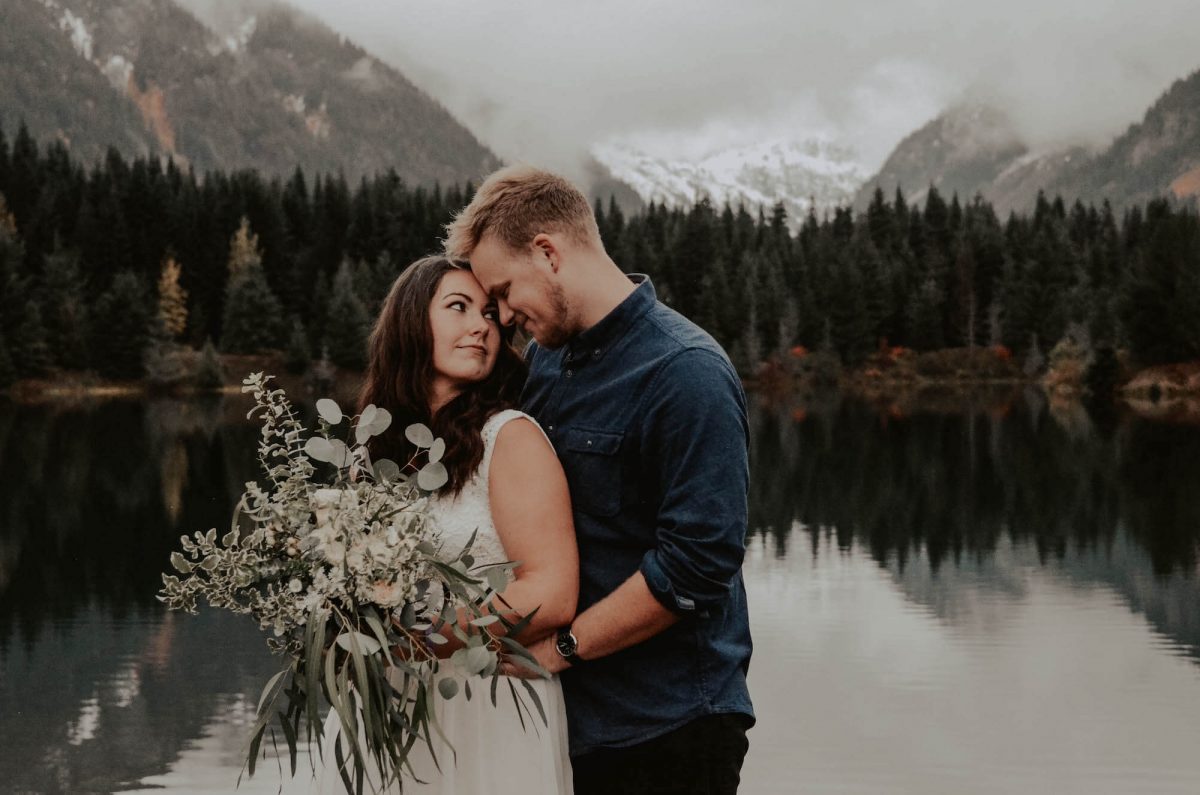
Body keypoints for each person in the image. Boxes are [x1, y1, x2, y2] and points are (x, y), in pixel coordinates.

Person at [445, 166, 755, 795]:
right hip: (567, 723)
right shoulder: (550, 359)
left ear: (549, 253)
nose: (501, 315)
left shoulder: (686, 372)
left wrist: (565, 647)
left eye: (504, 291)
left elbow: (699, 564)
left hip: (666, 726)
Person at [313, 256, 578, 794]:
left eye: (488, 314)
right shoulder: (368, 451)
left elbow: (551, 593)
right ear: (412, 322)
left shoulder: (509, 438)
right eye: (457, 307)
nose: (481, 325)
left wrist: (427, 639)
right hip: (385, 701)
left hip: (486, 702)